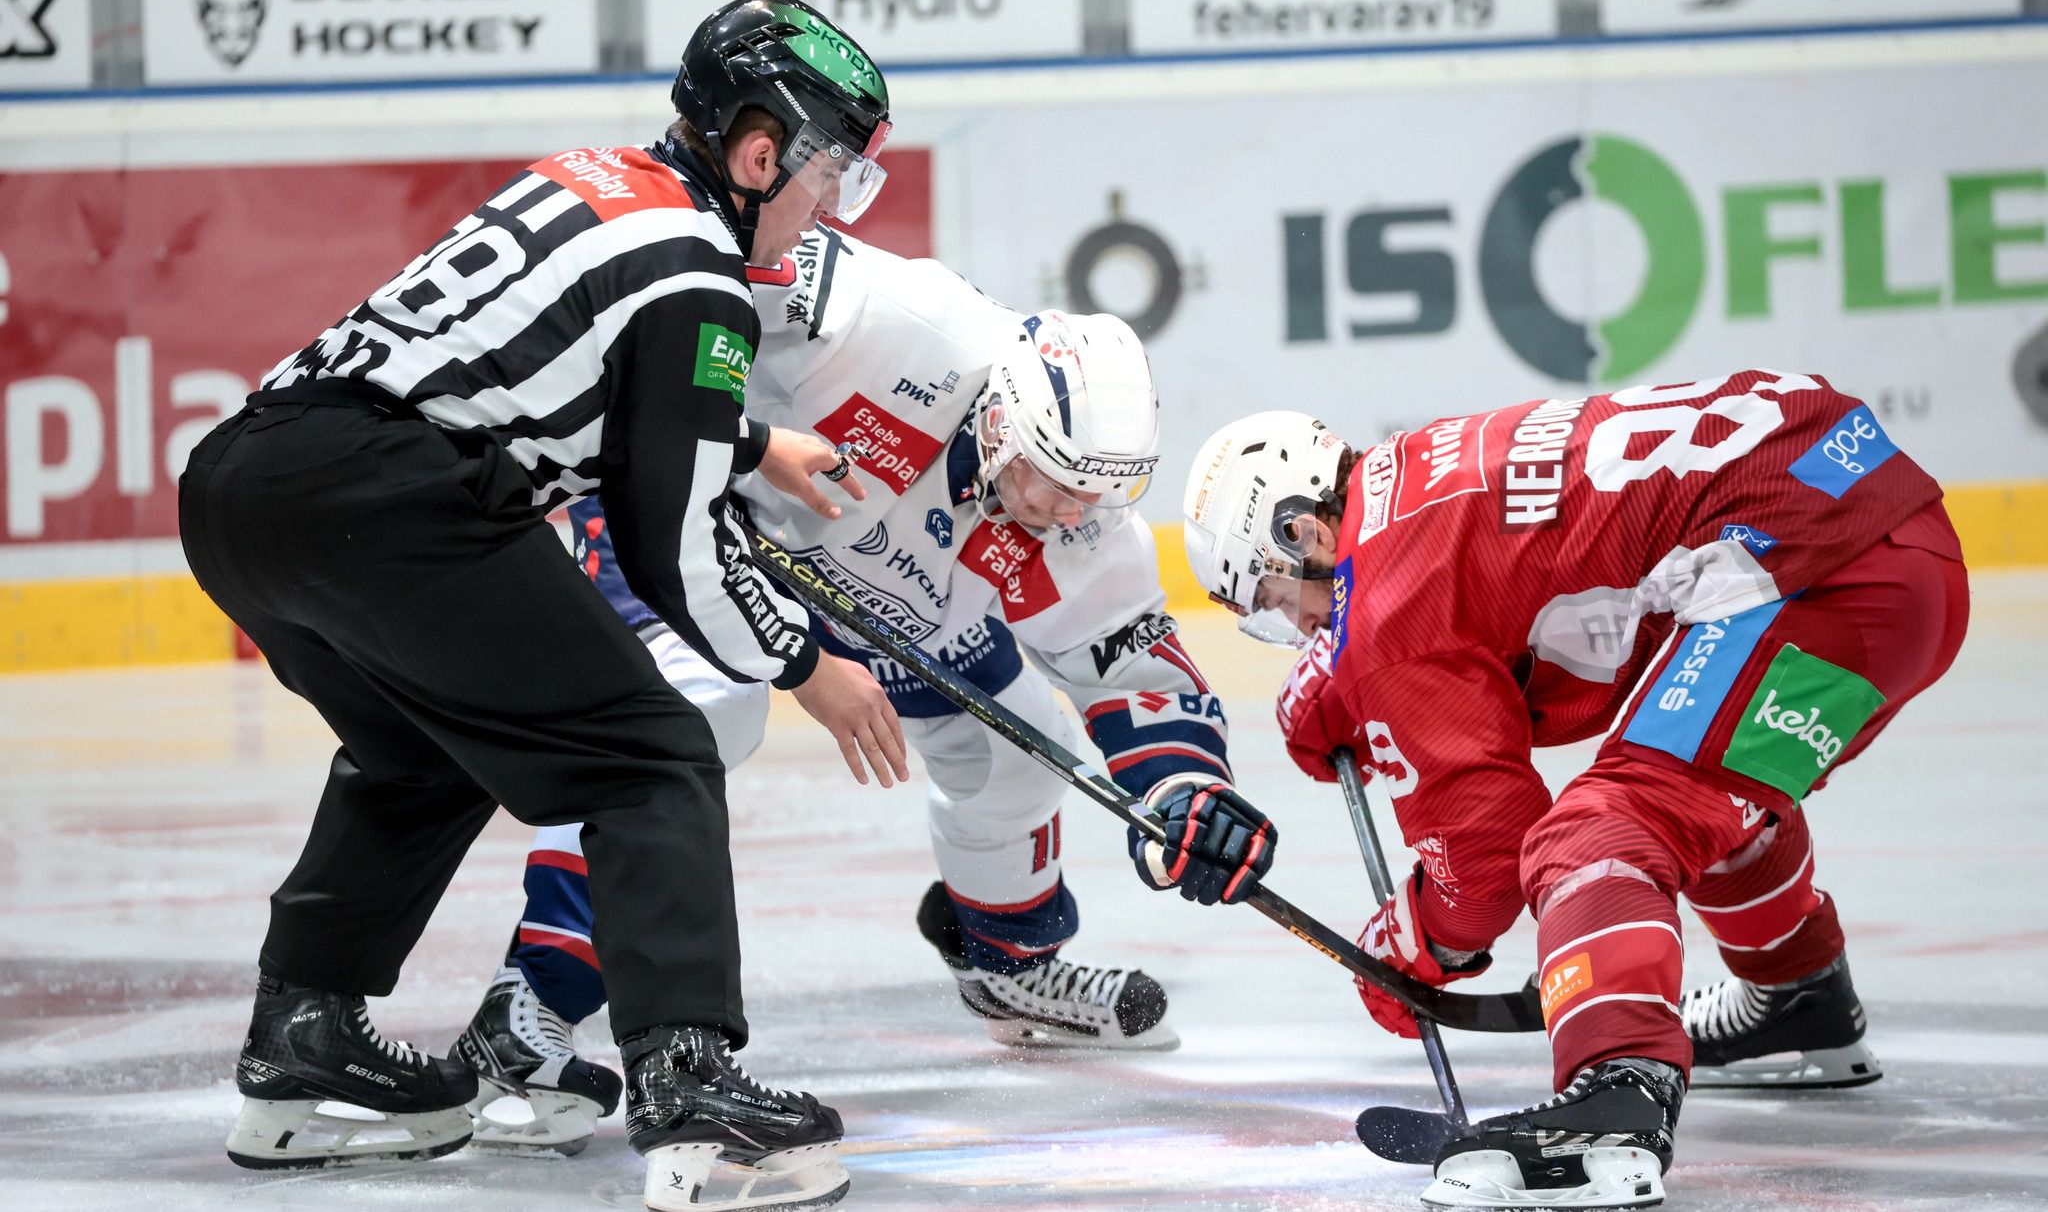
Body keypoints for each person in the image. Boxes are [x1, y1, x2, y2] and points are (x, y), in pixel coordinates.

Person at [179, 0, 911, 1211]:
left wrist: (749, 440)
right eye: (828, 170)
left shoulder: (598, 180)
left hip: (245, 484)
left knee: (419, 755)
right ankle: (689, 1086)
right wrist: (804, 665)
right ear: (757, 150)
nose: (830, 205)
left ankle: (301, 1046)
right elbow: (667, 545)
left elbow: (568, 373)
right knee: (652, 755)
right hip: (394, 501)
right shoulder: (700, 279)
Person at [453, 229, 1281, 1154]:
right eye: (1059, 483)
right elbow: (689, 289)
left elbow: (1135, 672)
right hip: (704, 532)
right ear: (1003, 421)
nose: (1075, 514)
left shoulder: (1084, 525)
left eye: (1104, 492)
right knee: (681, 730)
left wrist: (1189, 795)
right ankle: (529, 1010)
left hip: (890, 594)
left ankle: (1004, 968)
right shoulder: (884, 319)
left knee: (1014, 759)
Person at [1179, 372, 1968, 1210]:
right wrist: (1357, 680)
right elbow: (1536, 623)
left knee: (1598, 831)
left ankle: (1615, 1108)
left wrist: (1414, 940)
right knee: (1689, 787)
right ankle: (1795, 997)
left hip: (1828, 576)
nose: (1297, 629)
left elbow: (1484, 860)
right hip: (1880, 545)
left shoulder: (1384, 602)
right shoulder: (1414, 478)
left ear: (1299, 528)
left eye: (1270, 599)